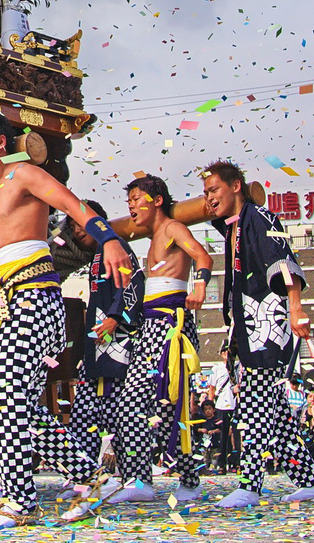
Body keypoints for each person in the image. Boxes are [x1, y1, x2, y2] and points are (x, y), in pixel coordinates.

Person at [0, 107, 134, 529]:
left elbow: (73, 206)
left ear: (2, 142)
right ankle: (88, 476)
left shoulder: (23, 176)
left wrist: (109, 240)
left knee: (5, 399)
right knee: (15, 406)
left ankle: (21, 501)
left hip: (33, 299)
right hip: (9, 303)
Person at [202, 161, 314, 507]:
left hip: (269, 324)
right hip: (248, 326)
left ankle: (250, 485)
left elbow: (284, 261)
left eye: (214, 190)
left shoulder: (261, 218)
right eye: (206, 193)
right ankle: (310, 480)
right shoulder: (235, 225)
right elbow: (208, 213)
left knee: (256, 405)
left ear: (237, 186)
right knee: (277, 413)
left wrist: (296, 306)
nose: (209, 198)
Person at [107, 174, 210, 508]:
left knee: (170, 403)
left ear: (158, 200)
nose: (132, 206)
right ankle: (142, 478)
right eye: (130, 202)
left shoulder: (173, 228)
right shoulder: (152, 239)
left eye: (137, 199)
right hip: (150, 323)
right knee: (138, 404)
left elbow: (203, 257)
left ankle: (184, 480)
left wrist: (200, 287)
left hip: (171, 323)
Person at [60, 198, 140, 510]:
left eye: (82, 224)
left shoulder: (115, 245)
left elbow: (133, 280)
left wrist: (115, 316)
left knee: (121, 413)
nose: (78, 231)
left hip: (117, 341)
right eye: (74, 226)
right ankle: (83, 475)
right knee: (83, 415)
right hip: (96, 346)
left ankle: (133, 477)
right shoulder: (94, 255)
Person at [210, 346, 238, 474]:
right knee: (223, 435)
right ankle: (222, 464)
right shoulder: (217, 368)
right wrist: (210, 404)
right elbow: (212, 388)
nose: (226, 353)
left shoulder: (238, 367)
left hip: (236, 404)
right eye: (224, 351)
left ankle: (236, 463)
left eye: (229, 351)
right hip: (221, 405)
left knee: (237, 436)